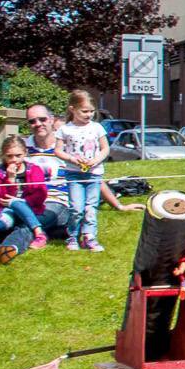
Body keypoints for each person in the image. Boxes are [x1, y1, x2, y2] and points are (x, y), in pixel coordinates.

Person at [54, 89, 109, 252]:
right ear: (73, 110)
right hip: (74, 173)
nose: (88, 115)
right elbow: (58, 150)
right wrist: (72, 159)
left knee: (90, 207)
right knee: (76, 207)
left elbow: (105, 148)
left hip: (94, 173)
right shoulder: (65, 130)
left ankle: (90, 237)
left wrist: (96, 160)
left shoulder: (97, 127)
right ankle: (73, 236)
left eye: (91, 111)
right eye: (84, 111)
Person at [16, 105, 71, 246]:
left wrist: (118, 205)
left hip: (57, 201)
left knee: (31, 224)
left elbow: (92, 178)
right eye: (32, 121)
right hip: (26, 201)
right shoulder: (22, 149)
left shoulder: (66, 147)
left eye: (42, 119)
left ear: (51, 120)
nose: (38, 124)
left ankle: (11, 247)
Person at [0, 136, 48, 264]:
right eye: (9, 156)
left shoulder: (34, 169)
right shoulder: (0, 173)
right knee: (4, 224)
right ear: (3, 156)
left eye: (18, 155)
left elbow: (40, 194)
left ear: (25, 153)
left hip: (31, 209)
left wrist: (20, 202)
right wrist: (10, 179)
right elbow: (3, 198)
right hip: (7, 209)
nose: (14, 160)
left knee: (16, 203)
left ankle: (39, 233)